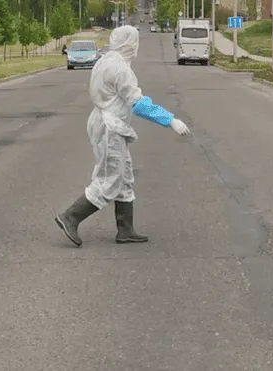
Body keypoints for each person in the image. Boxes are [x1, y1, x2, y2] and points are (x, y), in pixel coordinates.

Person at [55, 25, 190, 247]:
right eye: (135, 42)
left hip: (105, 122)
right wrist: (170, 120)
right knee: (110, 179)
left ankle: (125, 230)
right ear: (129, 43)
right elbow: (138, 103)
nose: (137, 46)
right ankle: (71, 216)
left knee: (124, 176)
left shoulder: (105, 60)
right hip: (111, 127)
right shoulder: (119, 68)